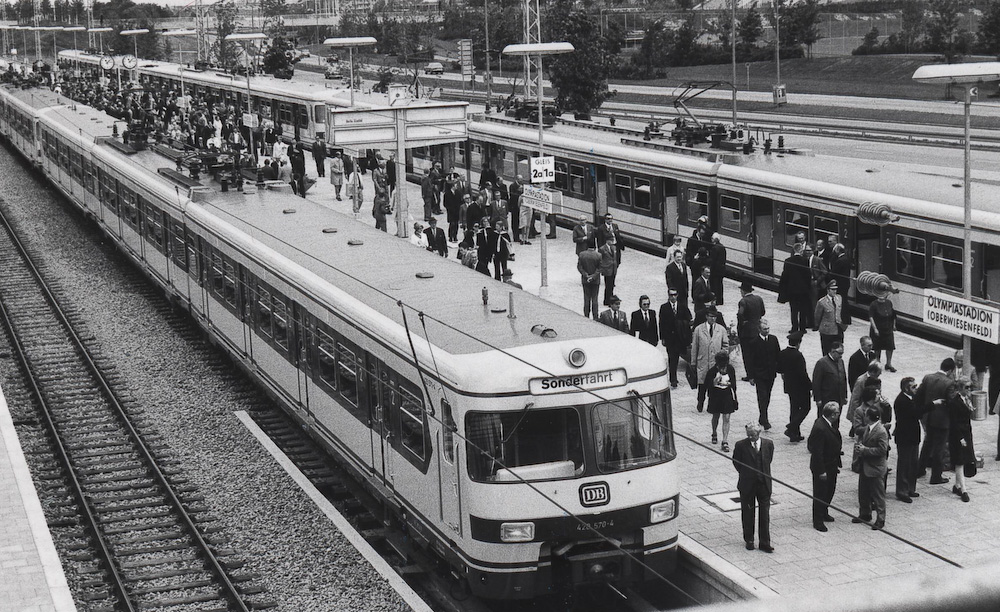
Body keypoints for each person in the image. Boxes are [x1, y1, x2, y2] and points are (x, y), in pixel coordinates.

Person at [732, 423, 774, 552]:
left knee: (765, 514)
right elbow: (736, 462)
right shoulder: (740, 445)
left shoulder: (768, 444)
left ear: (759, 433)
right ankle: (749, 539)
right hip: (747, 485)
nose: (750, 437)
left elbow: (769, 460)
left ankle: (764, 542)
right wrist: (746, 474)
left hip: (764, 484)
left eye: (753, 435)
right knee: (748, 513)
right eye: (748, 434)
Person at [915, 358, 956, 485]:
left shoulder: (928, 378)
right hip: (942, 420)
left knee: (927, 444)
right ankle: (936, 476)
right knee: (939, 447)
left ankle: (920, 469)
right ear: (950, 370)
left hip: (928, 416)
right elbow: (952, 402)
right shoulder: (949, 383)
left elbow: (918, 395)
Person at [808, 402, 843, 531]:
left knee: (829, 490)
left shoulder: (826, 423)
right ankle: (818, 520)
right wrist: (821, 471)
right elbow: (817, 451)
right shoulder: (820, 428)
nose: (839, 414)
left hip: (831, 464)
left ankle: (824, 511)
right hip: (823, 467)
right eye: (837, 412)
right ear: (833, 415)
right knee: (820, 493)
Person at [853, 406, 889, 530]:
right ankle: (865, 513)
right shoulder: (868, 428)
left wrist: (865, 450)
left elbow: (882, 450)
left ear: (869, 417)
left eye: (866, 415)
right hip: (865, 466)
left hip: (875, 468)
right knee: (863, 492)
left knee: (878, 495)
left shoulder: (881, 431)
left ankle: (880, 519)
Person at [893, 377, 924, 503]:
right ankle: (902, 491)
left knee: (913, 464)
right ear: (906, 388)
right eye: (913, 387)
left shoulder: (911, 399)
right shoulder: (902, 401)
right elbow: (916, 413)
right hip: (905, 437)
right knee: (904, 465)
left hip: (913, 437)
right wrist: (933, 405)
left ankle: (910, 488)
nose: (915, 389)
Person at [692, 308, 729, 413]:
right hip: (703, 361)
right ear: (706, 316)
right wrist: (693, 362)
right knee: (702, 385)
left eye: (715, 317)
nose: (713, 318)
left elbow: (726, 345)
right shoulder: (699, 329)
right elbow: (695, 347)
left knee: (714, 385)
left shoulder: (721, 329)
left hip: (715, 363)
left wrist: (723, 358)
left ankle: (711, 405)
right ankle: (700, 402)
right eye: (711, 316)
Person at [777, 331, 811, 442]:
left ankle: (794, 434)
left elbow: (779, 369)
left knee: (794, 408)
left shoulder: (782, 353)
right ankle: (791, 427)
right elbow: (803, 373)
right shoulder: (798, 355)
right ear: (798, 343)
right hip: (801, 387)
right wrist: (810, 386)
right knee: (806, 408)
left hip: (789, 386)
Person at [749, 319, 780, 431]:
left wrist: (780, 370)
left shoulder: (773, 339)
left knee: (767, 396)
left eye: (768, 329)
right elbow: (750, 361)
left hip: (771, 373)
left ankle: (762, 417)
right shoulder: (754, 342)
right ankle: (764, 419)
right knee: (762, 396)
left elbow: (778, 355)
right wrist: (751, 376)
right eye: (764, 329)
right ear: (759, 330)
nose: (767, 331)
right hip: (759, 374)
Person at [947, 378, 975, 502]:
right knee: (959, 461)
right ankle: (963, 489)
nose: (969, 390)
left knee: (963, 459)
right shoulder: (954, 403)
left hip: (966, 433)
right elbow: (953, 422)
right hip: (958, 435)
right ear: (960, 389)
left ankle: (957, 485)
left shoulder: (966, 400)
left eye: (970, 387)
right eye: (966, 387)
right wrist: (960, 437)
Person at [706, 351, 738, 452]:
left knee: (727, 418)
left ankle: (725, 441)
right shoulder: (712, 371)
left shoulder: (730, 369)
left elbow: (734, 384)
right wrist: (714, 381)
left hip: (727, 395)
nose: (723, 368)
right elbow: (707, 384)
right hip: (716, 395)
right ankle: (714, 432)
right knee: (716, 416)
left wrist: (731, 388)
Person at [659, 289, 692, 389]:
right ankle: (673, 379)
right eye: (671, 295)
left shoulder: (682, 306)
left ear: (677, 295)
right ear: (668, 295)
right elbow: (661, 323)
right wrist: (662, 337)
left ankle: (674, 377)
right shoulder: (664, 307)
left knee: (676, 357)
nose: (673, 297)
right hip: (669, 338)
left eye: (675, 295)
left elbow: (689, 319)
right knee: (671, 358)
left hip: (679, 337)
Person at [777, 243, 811, 334]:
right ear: (800, 250)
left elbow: (785, 276)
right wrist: (808, 288)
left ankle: (794, 328)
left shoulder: (788, 261)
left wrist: (783, 288)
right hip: (803, 290)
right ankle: (803, 328)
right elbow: (808, 275)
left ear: (794, 250)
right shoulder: (805, 261)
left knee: (794, 310)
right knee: (803, 309)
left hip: (792, 290)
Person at [737, 280, 765, 380]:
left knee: (747, 354)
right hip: (757, 330)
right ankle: (758, 373)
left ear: (743, 291)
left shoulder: (743, 301)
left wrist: (743, 322)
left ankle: (750, 375)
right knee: (756, 353)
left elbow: (740, 313)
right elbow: (763, 312)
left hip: (746, 332)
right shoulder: (759, 299)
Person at [812, 342, 848, 415]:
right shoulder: (821, 363)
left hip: (838, 398)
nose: (841, 356)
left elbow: (843, 379)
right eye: (839, 353)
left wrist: (845, 396)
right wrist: (818, 399)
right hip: (826, 398)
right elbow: (816, 382)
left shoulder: (841, 362)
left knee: (836, 419)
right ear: (832, 351)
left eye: (842, 353)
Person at [814, 281, 845, 355]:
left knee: (838, 350)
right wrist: (818, 325)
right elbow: (817, 316)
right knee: (827, 351)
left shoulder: (839, 298)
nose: (835, 291)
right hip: (827, 331)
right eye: (832, 289)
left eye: (835, 289)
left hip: (838, 329)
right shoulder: (822, 302)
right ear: (828, 290)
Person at [803, 244, 827, 327]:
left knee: (814, 304)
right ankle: (807, 322)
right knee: (806, 303)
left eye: (809, 250)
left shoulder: (817, 260)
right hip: (806, 283)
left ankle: (815, 323)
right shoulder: (803, 259)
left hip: (814, 283)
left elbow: (824, 272)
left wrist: (818, 281)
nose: (807, 252)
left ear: (813, 251)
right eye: (806, 250)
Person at [578, 242, 602, 320]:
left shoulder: (582, 254)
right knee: (595, 298)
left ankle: (586, 315)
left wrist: (586, 275)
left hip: (585, 280)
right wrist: (593, 276)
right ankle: (595, 316)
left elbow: (579, 267)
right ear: (595, 247)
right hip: (595, 281)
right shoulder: (598, 255)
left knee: (586, 298)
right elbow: (600, 268)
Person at [830, 243, 852, 325]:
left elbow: (834, 273)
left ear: (838, 250)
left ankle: (844, 318)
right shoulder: (846, 259)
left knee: (841, 301)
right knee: (845, 300)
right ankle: (847, 319)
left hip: (840, 284)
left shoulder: (839, 261)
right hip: (845, 283)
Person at [599, 235, 619, 307]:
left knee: (612, 286)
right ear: (607, 240)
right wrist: (602, 269)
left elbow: (616, 257)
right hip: (607, 269)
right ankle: (607, 300)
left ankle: (611, 300)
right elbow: (600, 260)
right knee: (608, 286)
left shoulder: (614, 247)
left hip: (613, 269)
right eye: (611, 240)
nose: (612, 242)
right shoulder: (602, 249)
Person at [709, 233, 727, 305]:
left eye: (712, 238)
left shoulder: (714, 248)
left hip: (715, 270)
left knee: (714, 285)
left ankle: (715, 300)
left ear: (715, 239)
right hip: (721, 269)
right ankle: (720, 300)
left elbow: (713, 260)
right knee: (720, 285)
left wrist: (711, 269)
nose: (711, 240)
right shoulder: (722, 247)